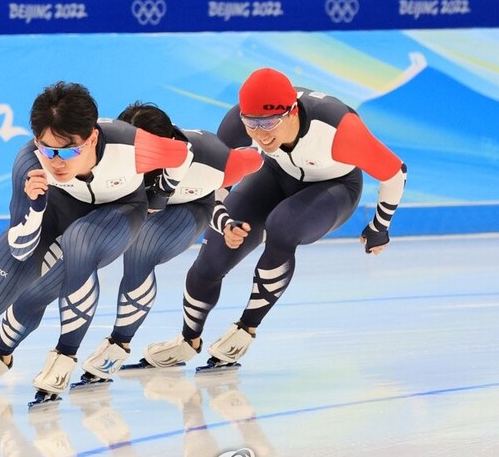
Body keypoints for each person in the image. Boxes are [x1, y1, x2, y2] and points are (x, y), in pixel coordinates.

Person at [0, 81, 195, 406]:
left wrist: (159, 198)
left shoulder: (133, 146)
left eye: (68, 151)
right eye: (46, 148)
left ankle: (64, 355)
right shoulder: (29, 163)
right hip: (58, 206)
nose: (56, 161)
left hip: (120, 211)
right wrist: (35, 206)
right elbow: (21, 247)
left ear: (93, 137)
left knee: (80, 242)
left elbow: (183, 154)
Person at [0, 102, 262, 393]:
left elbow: (247, 169)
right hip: (130, 207)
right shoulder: (113, 153)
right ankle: (1, 353)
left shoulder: (213, 158)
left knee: (143, 250)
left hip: (189, 208)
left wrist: (227, 225)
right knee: (42, 284)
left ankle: (118, 345)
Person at [142, 67, 407, 370]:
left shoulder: (338, 129)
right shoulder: (235, 123)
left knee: (282, 226)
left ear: (293, 112)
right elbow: (218, 188)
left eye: (268, 123)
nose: (260, 134)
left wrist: (380, 227)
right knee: (212, 257)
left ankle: (246, 327)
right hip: (275, 174)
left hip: (335, 187)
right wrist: (225, 223)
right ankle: (189, 339)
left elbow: (395, 172)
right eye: (251, 124)